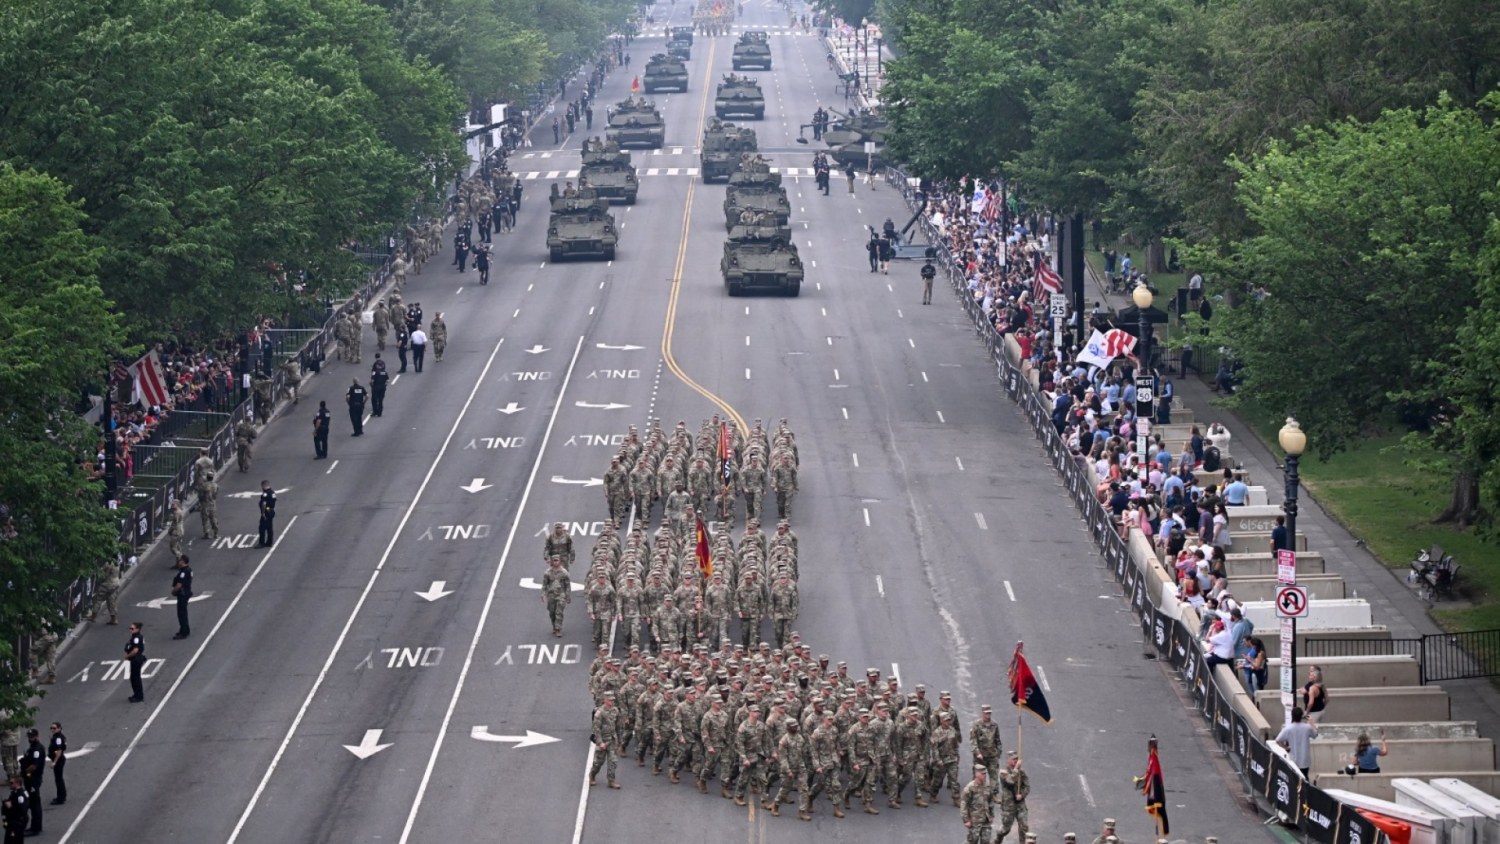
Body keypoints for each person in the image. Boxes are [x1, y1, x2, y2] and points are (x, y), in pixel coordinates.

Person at [996, 751, 1030, 841]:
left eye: (1017, 759)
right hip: (1009, 805)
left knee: (1024, 827)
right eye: (1013, 759)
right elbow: (1010, 781)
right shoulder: (1003, 772)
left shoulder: (1021, 772)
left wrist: (1022, 795)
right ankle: (998, 839)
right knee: (1006, 829)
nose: (1016, 761)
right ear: (1008, 760)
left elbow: (1027, 786)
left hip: (1020, 804)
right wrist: (1016, 768)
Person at [1275, 706, 1318, 777]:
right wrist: (1311, 723)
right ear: (1301, 716)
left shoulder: (1288, 729)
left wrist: (1286, 747)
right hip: (1305, 761)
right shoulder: (1307, 727)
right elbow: (1315, 734)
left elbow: (1277, 740)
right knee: (1305, 777)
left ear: (1292, 716)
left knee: (1293, 778)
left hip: (1293, 760)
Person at [959, 765, 993, 844]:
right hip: (975, 821)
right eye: (982, 774)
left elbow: (990, 801)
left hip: (986, 819)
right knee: (972, 841)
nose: (985, 775)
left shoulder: (987, 786)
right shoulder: (970, 787)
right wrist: (966, 820)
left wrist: (991, 814)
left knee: (986, 841)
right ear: (977, 774)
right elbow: (964, 804)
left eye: (985, 773)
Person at [542, 556, 571, 637]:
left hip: (561, 594)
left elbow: (567, 585)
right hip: (551, 595)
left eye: (557, 560)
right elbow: (544, 584)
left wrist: (568, 596)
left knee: (559, 612)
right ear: (552, 562)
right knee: (552, 612)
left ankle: (558, 629)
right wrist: (543, 594)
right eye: (554, 561)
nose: (555, 562)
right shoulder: (547, 572)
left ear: (560, 561)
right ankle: (554, 626)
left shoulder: (564, 572)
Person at [20, 729, 42, 834]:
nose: (30, 738)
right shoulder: (32, 748)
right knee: (33, 804)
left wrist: (23, 773)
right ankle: (35, 826)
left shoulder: (37, 749)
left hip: (33, 779)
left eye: (32, 736)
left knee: (34, 804)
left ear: (37, 736)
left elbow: (34, 766)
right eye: (29, 736)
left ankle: (35, 828)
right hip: (30, 779)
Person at [171, 555, 193, 639]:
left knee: (181, 614)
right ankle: (185, 629)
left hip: (182, 594)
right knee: (183, 613)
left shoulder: (184, 572)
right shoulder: (188, 569)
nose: (178, 561)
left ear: (183, 561)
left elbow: (179, 585)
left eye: (180, 560)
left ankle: (183, 632)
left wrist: (173, 592)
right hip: (186, 593)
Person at [124, 623, 146, 702]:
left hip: (136, 659)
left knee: (135, 678)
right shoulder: (135, 636)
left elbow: (135, 650)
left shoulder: (136, 638)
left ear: (137, 629)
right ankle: (136, 694)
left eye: (132, 628)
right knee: (133, 678)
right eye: (130, 628)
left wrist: (128, 656)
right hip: (136, 658)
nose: (131, 630)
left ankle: (139, 696)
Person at [4, 774, 29, 844]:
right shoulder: (15, 793)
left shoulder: (20, 796)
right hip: (13, 822)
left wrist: (11, 807)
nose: (10, 784)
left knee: (14, 840)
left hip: (16, 823)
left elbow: (22, 810)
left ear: (17, 783)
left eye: (11, 783)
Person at [45, 724, 64, 806]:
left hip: (58, 760)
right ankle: (62, 796)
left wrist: (54, 762)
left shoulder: (58, 738)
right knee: (59, 779)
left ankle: (60, 798)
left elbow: (59, 751)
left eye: (54, 728)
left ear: (59, 728)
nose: (52, 729)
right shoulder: (56, 737)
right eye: (51, 728)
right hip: (57, 759)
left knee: (59, 780)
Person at [257, 480, 277, 548]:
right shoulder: (272, 492)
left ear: (263, 486)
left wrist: (263, 513)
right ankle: (269, 542)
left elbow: (264, 503)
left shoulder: (265, 494)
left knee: (262, 528)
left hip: (267, 511)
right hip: (271, 511)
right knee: (269, 527)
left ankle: (261, 543)